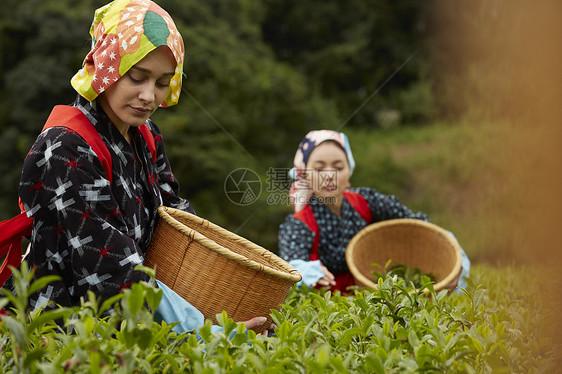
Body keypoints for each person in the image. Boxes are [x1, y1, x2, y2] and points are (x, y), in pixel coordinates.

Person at [13, 0, 267, 334]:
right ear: (107, 67)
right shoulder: (67, 147)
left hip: (144, 312)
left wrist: (225, 300)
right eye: (137, 77)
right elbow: (108, 269)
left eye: (162, 82)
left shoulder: (146, 136)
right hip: (68, 324)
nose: (149, 96)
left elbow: (178, 226)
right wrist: (206, 331)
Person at [278, 130, 470, 293]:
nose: (329, 176)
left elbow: (418, 225)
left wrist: (447, 251)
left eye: (338, 167)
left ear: (349, 170)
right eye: (319, 169)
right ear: (304, 174)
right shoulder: (298, 224)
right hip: (329, 312)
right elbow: (289, 268)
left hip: (375, 296)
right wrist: (306, 272)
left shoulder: (366, 201)